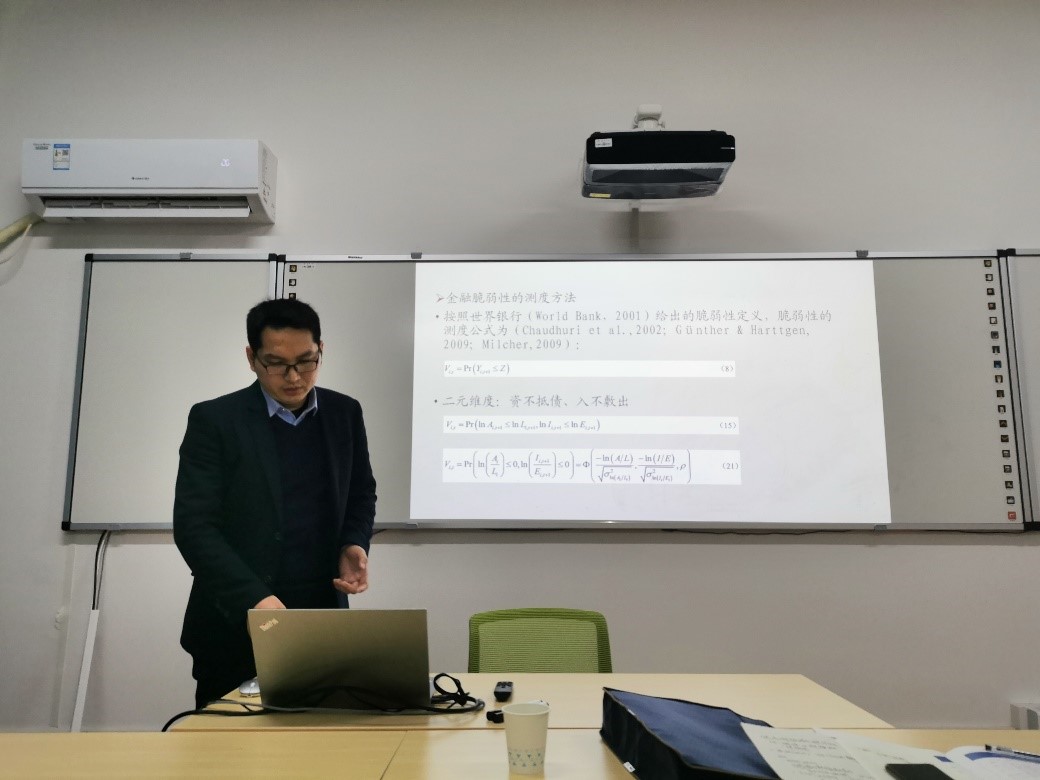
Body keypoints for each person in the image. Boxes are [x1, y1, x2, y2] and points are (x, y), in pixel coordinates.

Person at [173, 298, 377, 708]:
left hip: (319, 618)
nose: (294, 376)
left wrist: (353, 543)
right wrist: (255, 599)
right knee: (230, 744)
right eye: (276, 364)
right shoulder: (215, 420)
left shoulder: (344, 413)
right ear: (252, 358)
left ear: (321, 350)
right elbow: (194, 528)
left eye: (306, 361)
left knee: (322, 738)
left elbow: (361, 492)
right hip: (234, 624)